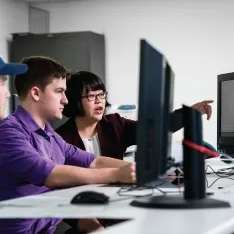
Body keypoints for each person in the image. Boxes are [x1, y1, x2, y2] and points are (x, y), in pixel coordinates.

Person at [0, 56, 136, 234]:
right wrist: (118, 174)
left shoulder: (50, 134)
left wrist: (138, 171)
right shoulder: (9, 132)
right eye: (59, 91)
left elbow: (92, 161)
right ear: (36, 93)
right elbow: (51, 175)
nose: (65, 100)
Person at [56, 71, 213, 160]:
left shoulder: (115, 125)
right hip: (81, 206)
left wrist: (190, 113)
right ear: (76, 100)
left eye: (102, 94)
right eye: (91, 96)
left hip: (116, 199)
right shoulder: (60, 138)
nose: (99, 101)